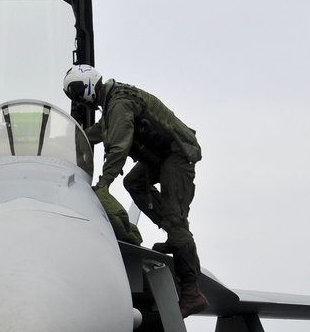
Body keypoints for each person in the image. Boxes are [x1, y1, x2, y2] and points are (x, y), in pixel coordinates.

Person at [62, 64, 208, 317]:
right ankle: (175, 235)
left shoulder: (119, 103)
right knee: (135, 183)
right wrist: (68, 139)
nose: (76, 98)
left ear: (86, 84)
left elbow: (119, 146)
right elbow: (98, 132)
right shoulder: (111, 106)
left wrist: (104, 183)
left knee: (176, 219)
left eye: (75, 91)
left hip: (177, 156)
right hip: (161, 158)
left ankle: (191, 293)